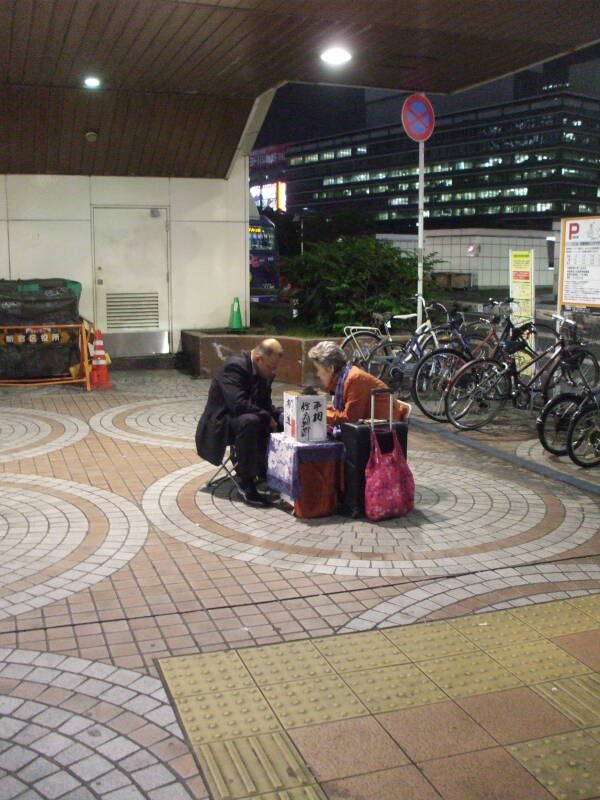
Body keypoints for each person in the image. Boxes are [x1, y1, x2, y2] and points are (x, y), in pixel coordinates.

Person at [196, 338, 284, 505]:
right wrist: (266, 416)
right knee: (252, 421)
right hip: (222, 421)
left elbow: (265, 403)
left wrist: (277, 416)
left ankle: (269, 470)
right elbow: (237, 404)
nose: (273, 371)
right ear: (258, 359)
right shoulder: (234, 366)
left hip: (243, 417)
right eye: (271, 367)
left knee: (280, 416)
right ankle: (246, 482)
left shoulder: (263, 370)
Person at [308, 341, 410, 425]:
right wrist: (319, 408)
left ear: (331, 368)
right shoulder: (345, 377)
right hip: (368, 428)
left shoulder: (354, 379)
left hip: (383, 432)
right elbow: (341, 409)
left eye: (318, 369)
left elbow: (350, 419)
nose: (318, 374)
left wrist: (318, 413)